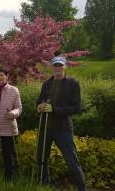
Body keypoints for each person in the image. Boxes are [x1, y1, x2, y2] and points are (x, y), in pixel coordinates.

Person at [36, 56, 86, 191]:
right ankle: (44, 184)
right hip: (45, 127)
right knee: (42, 159)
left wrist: (54, 109)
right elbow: (39, 101)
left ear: (65, 67)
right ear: (52, 67)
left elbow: (76, 107)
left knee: (72, 161)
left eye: (60, 66)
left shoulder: (73, 83)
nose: (58, 68)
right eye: (55, 66)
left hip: (63, 128)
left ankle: (82, 188)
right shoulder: (47, 84)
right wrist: (40, 106)